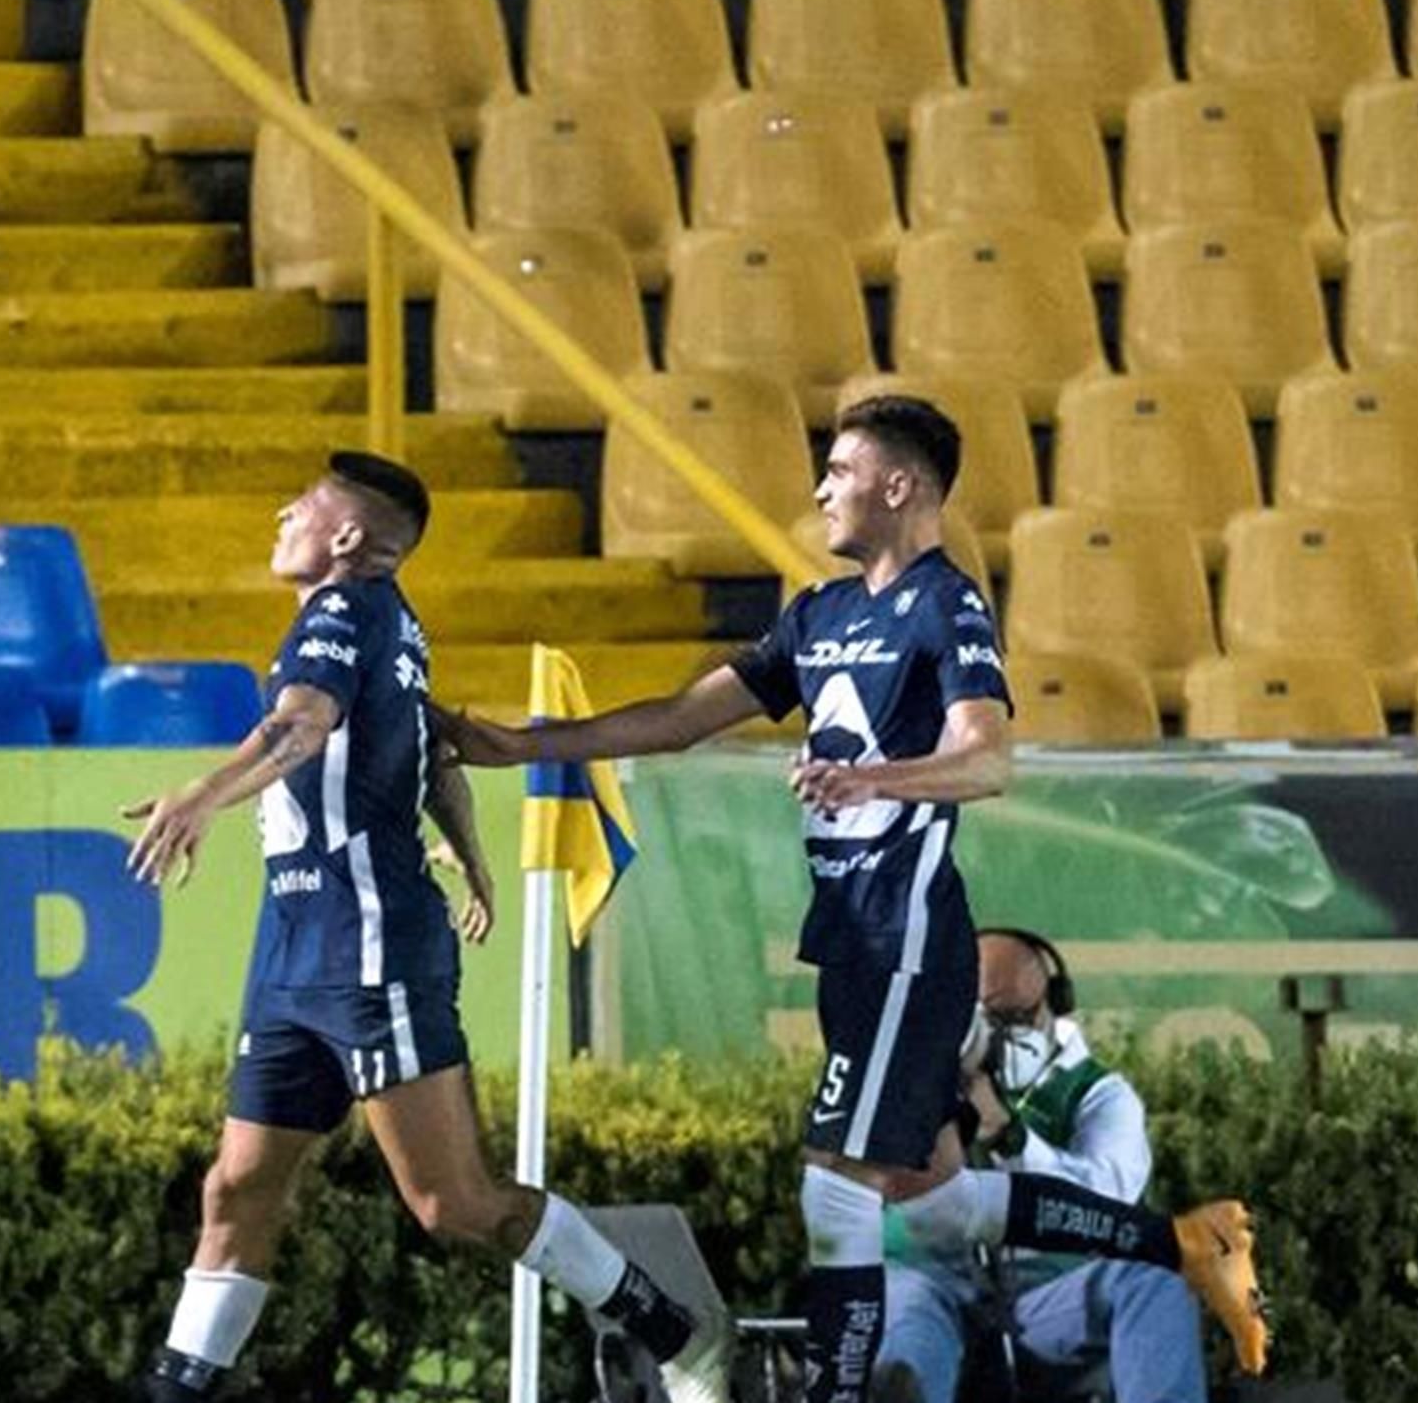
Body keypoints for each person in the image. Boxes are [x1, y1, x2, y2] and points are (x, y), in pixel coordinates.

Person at [434, 397, 1269, 1403]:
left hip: (911, 942)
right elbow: (679, 720)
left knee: (836, 1189)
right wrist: (522, 745)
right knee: (939, 1201)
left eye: (839, 468)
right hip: (852, 943)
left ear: (898, 485)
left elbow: (987, 757)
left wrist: (873, 779)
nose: (820, 487)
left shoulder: (945, 604)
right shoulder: (816, 615)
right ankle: (1181, 1240)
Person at [124, 454, 729, 1403]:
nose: (283, 512)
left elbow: (304, 728)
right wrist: (475, 856)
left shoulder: (339, 613)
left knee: (456, 1204)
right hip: (294, 947)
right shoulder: (393, 625)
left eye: (304, 505)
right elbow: (434, 745)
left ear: (349, 539)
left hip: (365, 945)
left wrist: (201, 795)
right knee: (237, 1188)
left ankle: (681, 1338)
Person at [874, 929, 1210, 1403]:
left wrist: (1010, 1138)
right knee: (908, 1314)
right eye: (982, 1019)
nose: (996, 1035)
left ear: (1054, 1003)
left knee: (1154, 1278)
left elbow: (1104, 1203)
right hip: (934, 1282)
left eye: (1013, 1017)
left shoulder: (1098, 1095)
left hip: (1044, 1297)